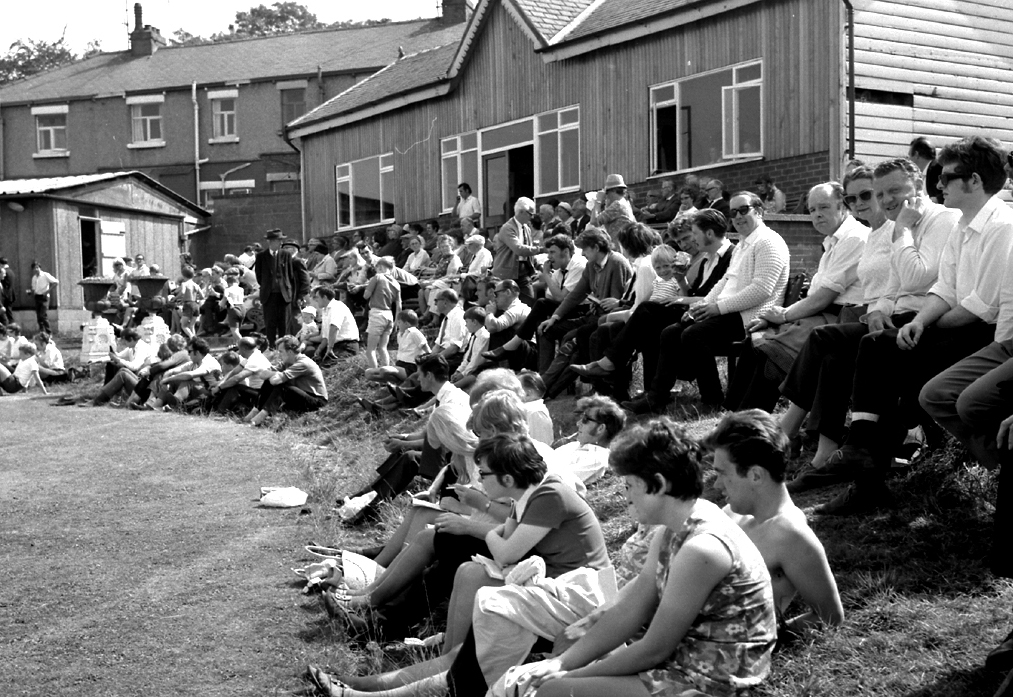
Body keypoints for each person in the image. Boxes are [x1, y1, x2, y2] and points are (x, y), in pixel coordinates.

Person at [494, 417, 776, 697]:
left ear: (658, 483)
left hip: (712, 684)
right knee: (553, 681)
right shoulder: (674, 529)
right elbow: (630, 609)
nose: (625, 495)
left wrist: (567, 676)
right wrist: (560, 663)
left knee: (553, 692)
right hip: (687, 665)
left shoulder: (701, 548)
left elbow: (654, 649)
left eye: (629, 485)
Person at [814, 135, 1013, 515]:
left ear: (973, 181)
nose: (938, 183)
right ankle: (864, 470)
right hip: (957, 325)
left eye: (946, 176)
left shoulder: (998, 225)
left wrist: (926, 326)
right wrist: (920, 321)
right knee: (874, 355)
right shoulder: (965, 225)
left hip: (982, 333)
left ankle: (862, 461)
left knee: (880, 354)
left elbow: (980, 307)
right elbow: (944, 288)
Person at [779, 159, 950, 476]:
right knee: (832, 359)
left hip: (924, 319)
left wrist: (900, 231)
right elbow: (893, 286)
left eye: (872, 194)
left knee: (823, 338)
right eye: (853, 198)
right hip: (887, 317)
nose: (879, 202)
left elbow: (915, 279)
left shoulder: (920, 224)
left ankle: (788, 432)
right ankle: (825, 454)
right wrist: (878, 311)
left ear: (918, 184)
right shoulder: (881, 232)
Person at [625, 195, 790, 413]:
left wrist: (716, 308)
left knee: (693, 334)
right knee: (671, 333)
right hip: (732, 311)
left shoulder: (768, 242)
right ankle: (656, 397)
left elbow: (762, 290)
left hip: (752, 317)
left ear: (759, 211)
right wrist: (700, 307)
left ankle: (712, 399)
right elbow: (724, 283)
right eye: (733, 212)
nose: (738, 216)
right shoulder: (744, 245)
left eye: (743, 210)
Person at [724, 181, 868, 412]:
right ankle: (734, 413)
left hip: (845, 318)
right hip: (823, 315)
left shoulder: (855, 238)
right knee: (756, 339)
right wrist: (777, 318)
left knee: (770, 351)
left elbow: (823, 297)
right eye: (812, 210)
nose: (817, 215)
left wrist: (783, 315)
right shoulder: (832, 241)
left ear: (843, 206)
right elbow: (816, 297)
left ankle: (749, 421)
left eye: (824, 207)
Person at [706, 410, 844, 633]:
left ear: (756, 476)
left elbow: (830, 617)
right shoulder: (732, 513)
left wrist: (763, 637)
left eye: (723, 474)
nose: (716, 485)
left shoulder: (790, 535)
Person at [246, 335, 328, 426]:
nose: (279, 354)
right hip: (300, 395)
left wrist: (274, 375)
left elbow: (275, 381)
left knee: (282, 387)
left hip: (316, 400)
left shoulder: (303, 363)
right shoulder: (287, 362)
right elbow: (263, 375)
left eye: (281, 351)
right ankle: (254, 412)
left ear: (289, 351)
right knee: (269, 382)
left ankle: (258, 419)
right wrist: (275, 375)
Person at [255, 228, 311, 344]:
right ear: (270, 241)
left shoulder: (285, 255)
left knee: (284, 322)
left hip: (284, 295)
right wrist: (268, 286)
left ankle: (283, 346)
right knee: (270, 322)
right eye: (278, 240)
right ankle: (271, 346)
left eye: (281, 240)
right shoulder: (261, 256)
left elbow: (290, 274)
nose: (281, 243)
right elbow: (259, 276)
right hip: (269, 295)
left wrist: (286, 287)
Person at [211, 336, 274, 415]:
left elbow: (238, 378)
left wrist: (219, 387)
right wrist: (221, 383)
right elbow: (234, 372)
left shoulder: (255, 360)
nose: (238, 351)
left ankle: (219, 412)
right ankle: (212, 409)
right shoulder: (252, 355)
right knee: (227, 385)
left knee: (235, 387)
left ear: (244, 348)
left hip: (261, 395)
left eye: (239, 348)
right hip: (255, 391)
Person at [492, 198, 541, 298]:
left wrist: (540, 266)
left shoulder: (526, 228)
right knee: (505, 303)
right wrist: (539, 250)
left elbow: (528, 252)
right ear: (521, 212)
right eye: (530, 214)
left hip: (523, 272)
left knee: (529, 301)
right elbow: (518, 249)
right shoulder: (507, 228)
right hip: (506, 274)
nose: (532, 217)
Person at [365, 309, 428, 384]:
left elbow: (427, 351)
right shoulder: (400, 334)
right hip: (400, 364)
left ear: (406, 324)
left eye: (399, 322)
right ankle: (393, 383)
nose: (398, 325)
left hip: (411, 367)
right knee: (368, 373)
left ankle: (394, 382)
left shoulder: (414, 332)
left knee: (384, 370)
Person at [363, 257, 401, 370]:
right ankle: (387, 376)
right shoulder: (396, 283)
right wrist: (396, 321)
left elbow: (366, 295)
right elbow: (399, 305)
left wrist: (368, 287)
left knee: (371, 350)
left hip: (377, 313)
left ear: (380, 266)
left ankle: (375, 377)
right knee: (383, 348)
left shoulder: (377, 277)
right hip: (389, 315)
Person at [312, 286, 359, 362]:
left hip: (346, 346)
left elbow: (334, 328)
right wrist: (319, 349)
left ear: (324, 297)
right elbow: (325, 337)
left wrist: (329, 348)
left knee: (328, 368)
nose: (316, 300)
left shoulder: (337, 306)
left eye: (317, 297)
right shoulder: (325, 310)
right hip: (335, 345)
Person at [28, 262, 59, 333]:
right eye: (34, 268)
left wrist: (48, 291)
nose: (36, 269)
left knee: (43, 315)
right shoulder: (34, 278)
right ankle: (42, 331)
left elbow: (56, 282)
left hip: (44, 297)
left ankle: (49, 332)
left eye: (37, 267)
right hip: (37, 296)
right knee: (39, 316)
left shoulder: (45, 275)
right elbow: (33, 288)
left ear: (40, 268)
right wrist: (31, 292)